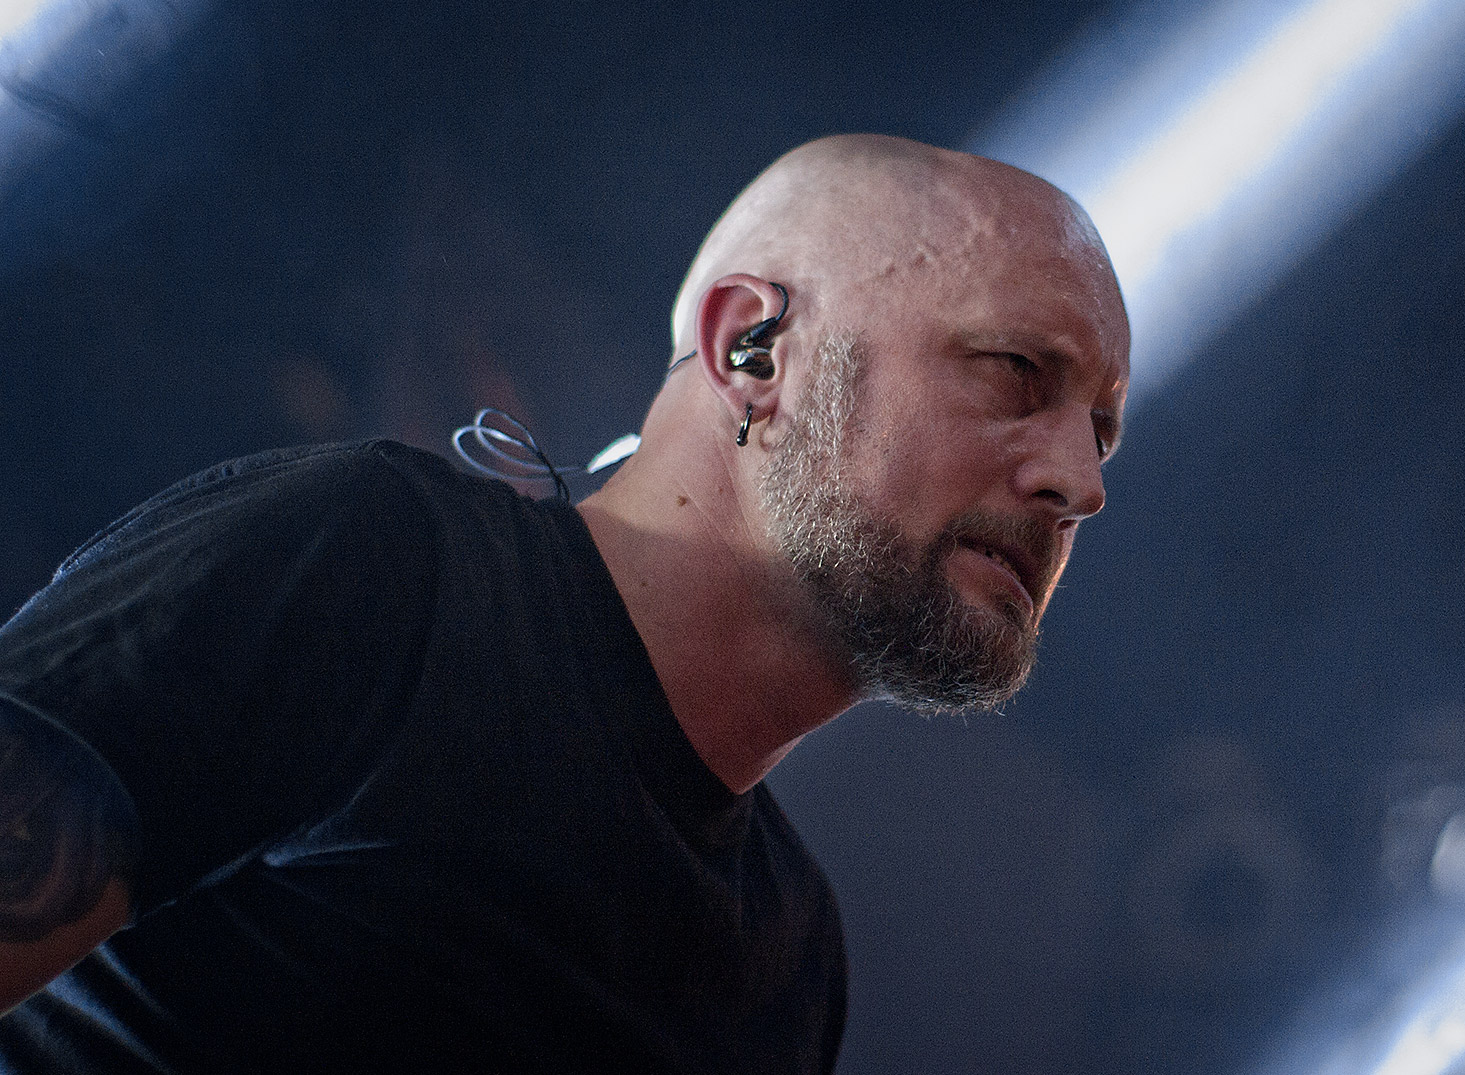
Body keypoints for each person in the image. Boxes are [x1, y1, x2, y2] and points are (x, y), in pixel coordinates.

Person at [0, 133, 1129, 1073]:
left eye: (1101, 432)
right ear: (754, 348)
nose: (1078, 483)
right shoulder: (380, 570)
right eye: (1012, 371)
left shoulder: (792, 960)